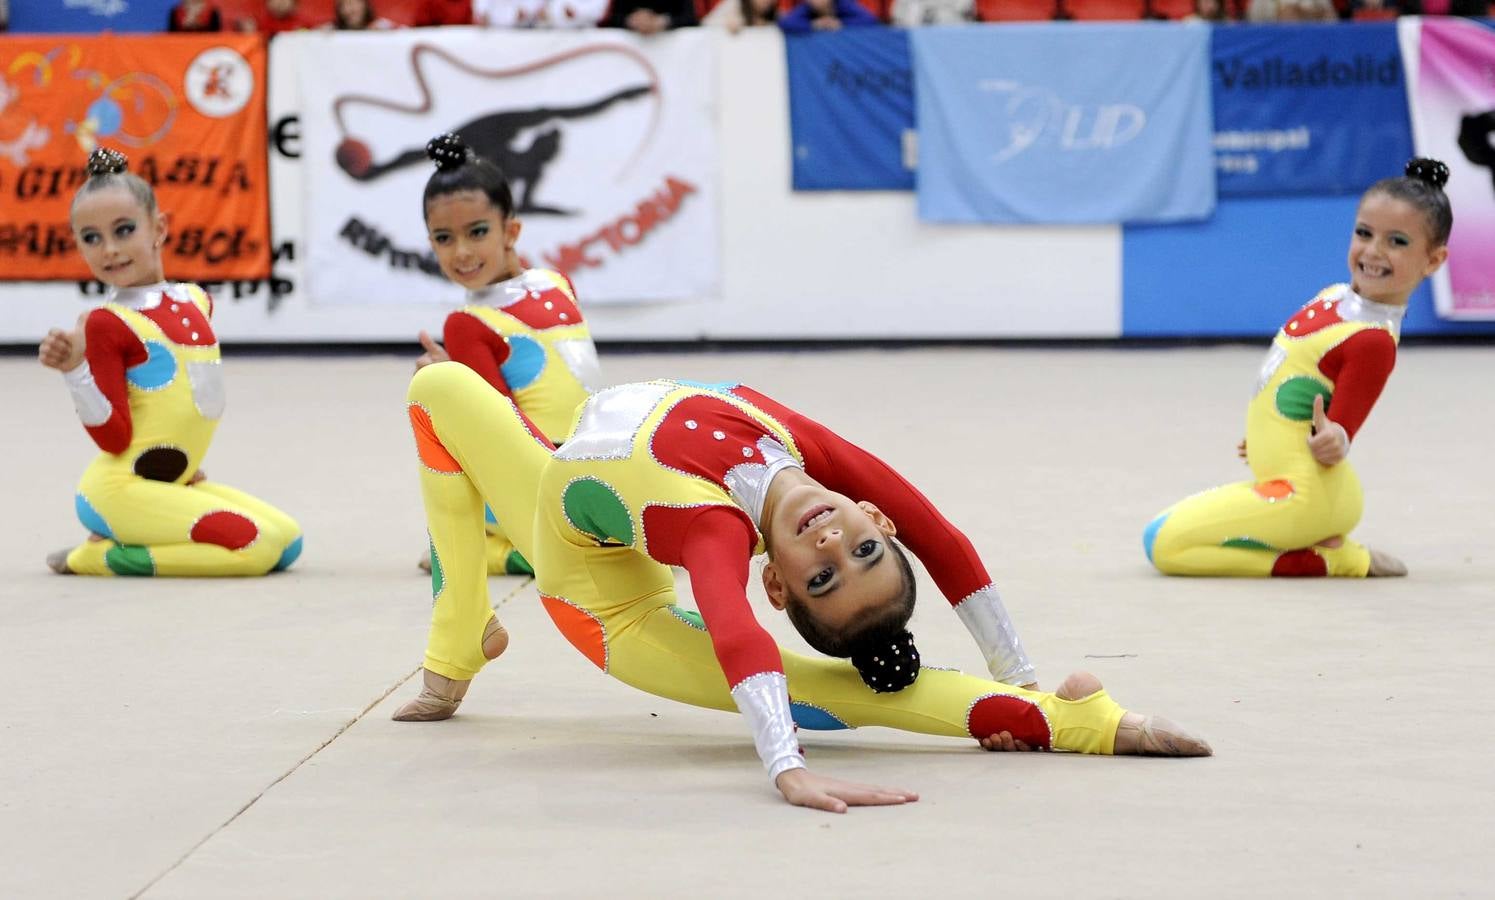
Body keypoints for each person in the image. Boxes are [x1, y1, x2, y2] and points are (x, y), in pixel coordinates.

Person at [395, 366, 1211, 811]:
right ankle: (462, 631)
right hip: (563, 507)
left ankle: (1076, 725)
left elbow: (735, 634)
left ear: (776, 585)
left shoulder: (711, 523)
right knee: (436, 388)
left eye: (822, 575)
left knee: (816, 694)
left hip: (605, 613)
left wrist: (786, 768)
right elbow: (943, 536)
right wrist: (1015, 664)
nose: (831, 541)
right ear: (872, 518)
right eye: (861, 548)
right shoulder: (789, 440)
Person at [1144, 159, 1453, 579]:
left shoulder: (1373, 340)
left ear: (1433, 260)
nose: (1373, 251)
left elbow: (1341, 431)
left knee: (1164, 544)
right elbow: (1294, 380)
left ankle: (1336, 559)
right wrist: (1269, 437)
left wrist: (1333, 441)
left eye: (1397, 241)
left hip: (1305, 494)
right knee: (1175, 534)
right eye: (1364, 233)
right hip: (1305, 484)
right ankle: (1317, 536)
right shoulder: (1335, 294)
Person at [37, 148, 303, 577]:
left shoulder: (196, 299)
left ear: (158, 228)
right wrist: (75, 370)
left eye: (124, 230)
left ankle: (135, 532)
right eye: (91, 238)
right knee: (255, 547)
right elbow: (113, 436)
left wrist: (182, 461)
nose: (109, 250)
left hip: (168, 480)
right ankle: (96, 558)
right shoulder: (107, 322)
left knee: (288, 541)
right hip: (120, 488)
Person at [414, 133, 602, 576]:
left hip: (548, 482)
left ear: (511, 230)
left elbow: (499, 432)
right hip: (603, 464)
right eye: (444, 238)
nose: (461, 252)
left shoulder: (467, 323)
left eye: (477, 232)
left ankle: (500, 553)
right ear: (431, 243)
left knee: (431, 422)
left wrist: (448, 383)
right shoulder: (557, 282)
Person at [779, 0, 881, 31]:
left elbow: (870, 19)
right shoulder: (806, 7)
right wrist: (814, 25)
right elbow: (785, 23)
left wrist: (841, 23)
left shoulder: (842, 3)